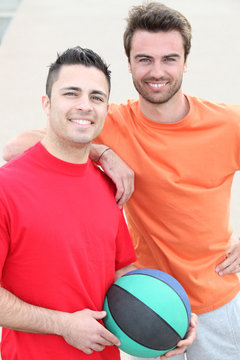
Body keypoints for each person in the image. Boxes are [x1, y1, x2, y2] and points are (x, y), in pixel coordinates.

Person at [20, 3, 240, 360]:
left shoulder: (228, 123)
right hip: (145, 306)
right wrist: (102, 153)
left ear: (185, 62)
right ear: (129, 65)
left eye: (169, 59)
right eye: (144, 59)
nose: (157, 71)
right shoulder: (112, 122)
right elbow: (16, 148)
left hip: (217, 302)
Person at [0, 46, 138, 360]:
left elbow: (121, 273)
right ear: (47, 104)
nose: (84, 106)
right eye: (71, 93)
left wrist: (169, 320)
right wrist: (62, 324)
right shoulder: (6, 186)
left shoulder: (107, 185)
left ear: (105, 108)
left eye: (96, 97)